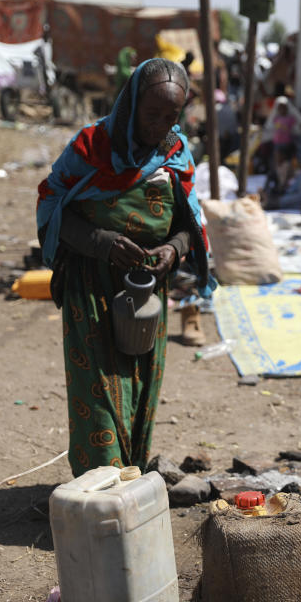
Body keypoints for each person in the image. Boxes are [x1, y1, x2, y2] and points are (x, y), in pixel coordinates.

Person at [36, 58, 215, 477]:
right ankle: (99, 494)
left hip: (148, 288)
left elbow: (190, 222)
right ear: (130, 105)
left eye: (170, 116)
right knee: (97, 390)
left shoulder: (175, 151)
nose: (159, 125)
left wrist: (173, 249)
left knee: (140, 387)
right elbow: (51, 203)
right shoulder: (91, 146)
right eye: (151, 114)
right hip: (93, 286)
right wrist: (103, 243)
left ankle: (129, 482)